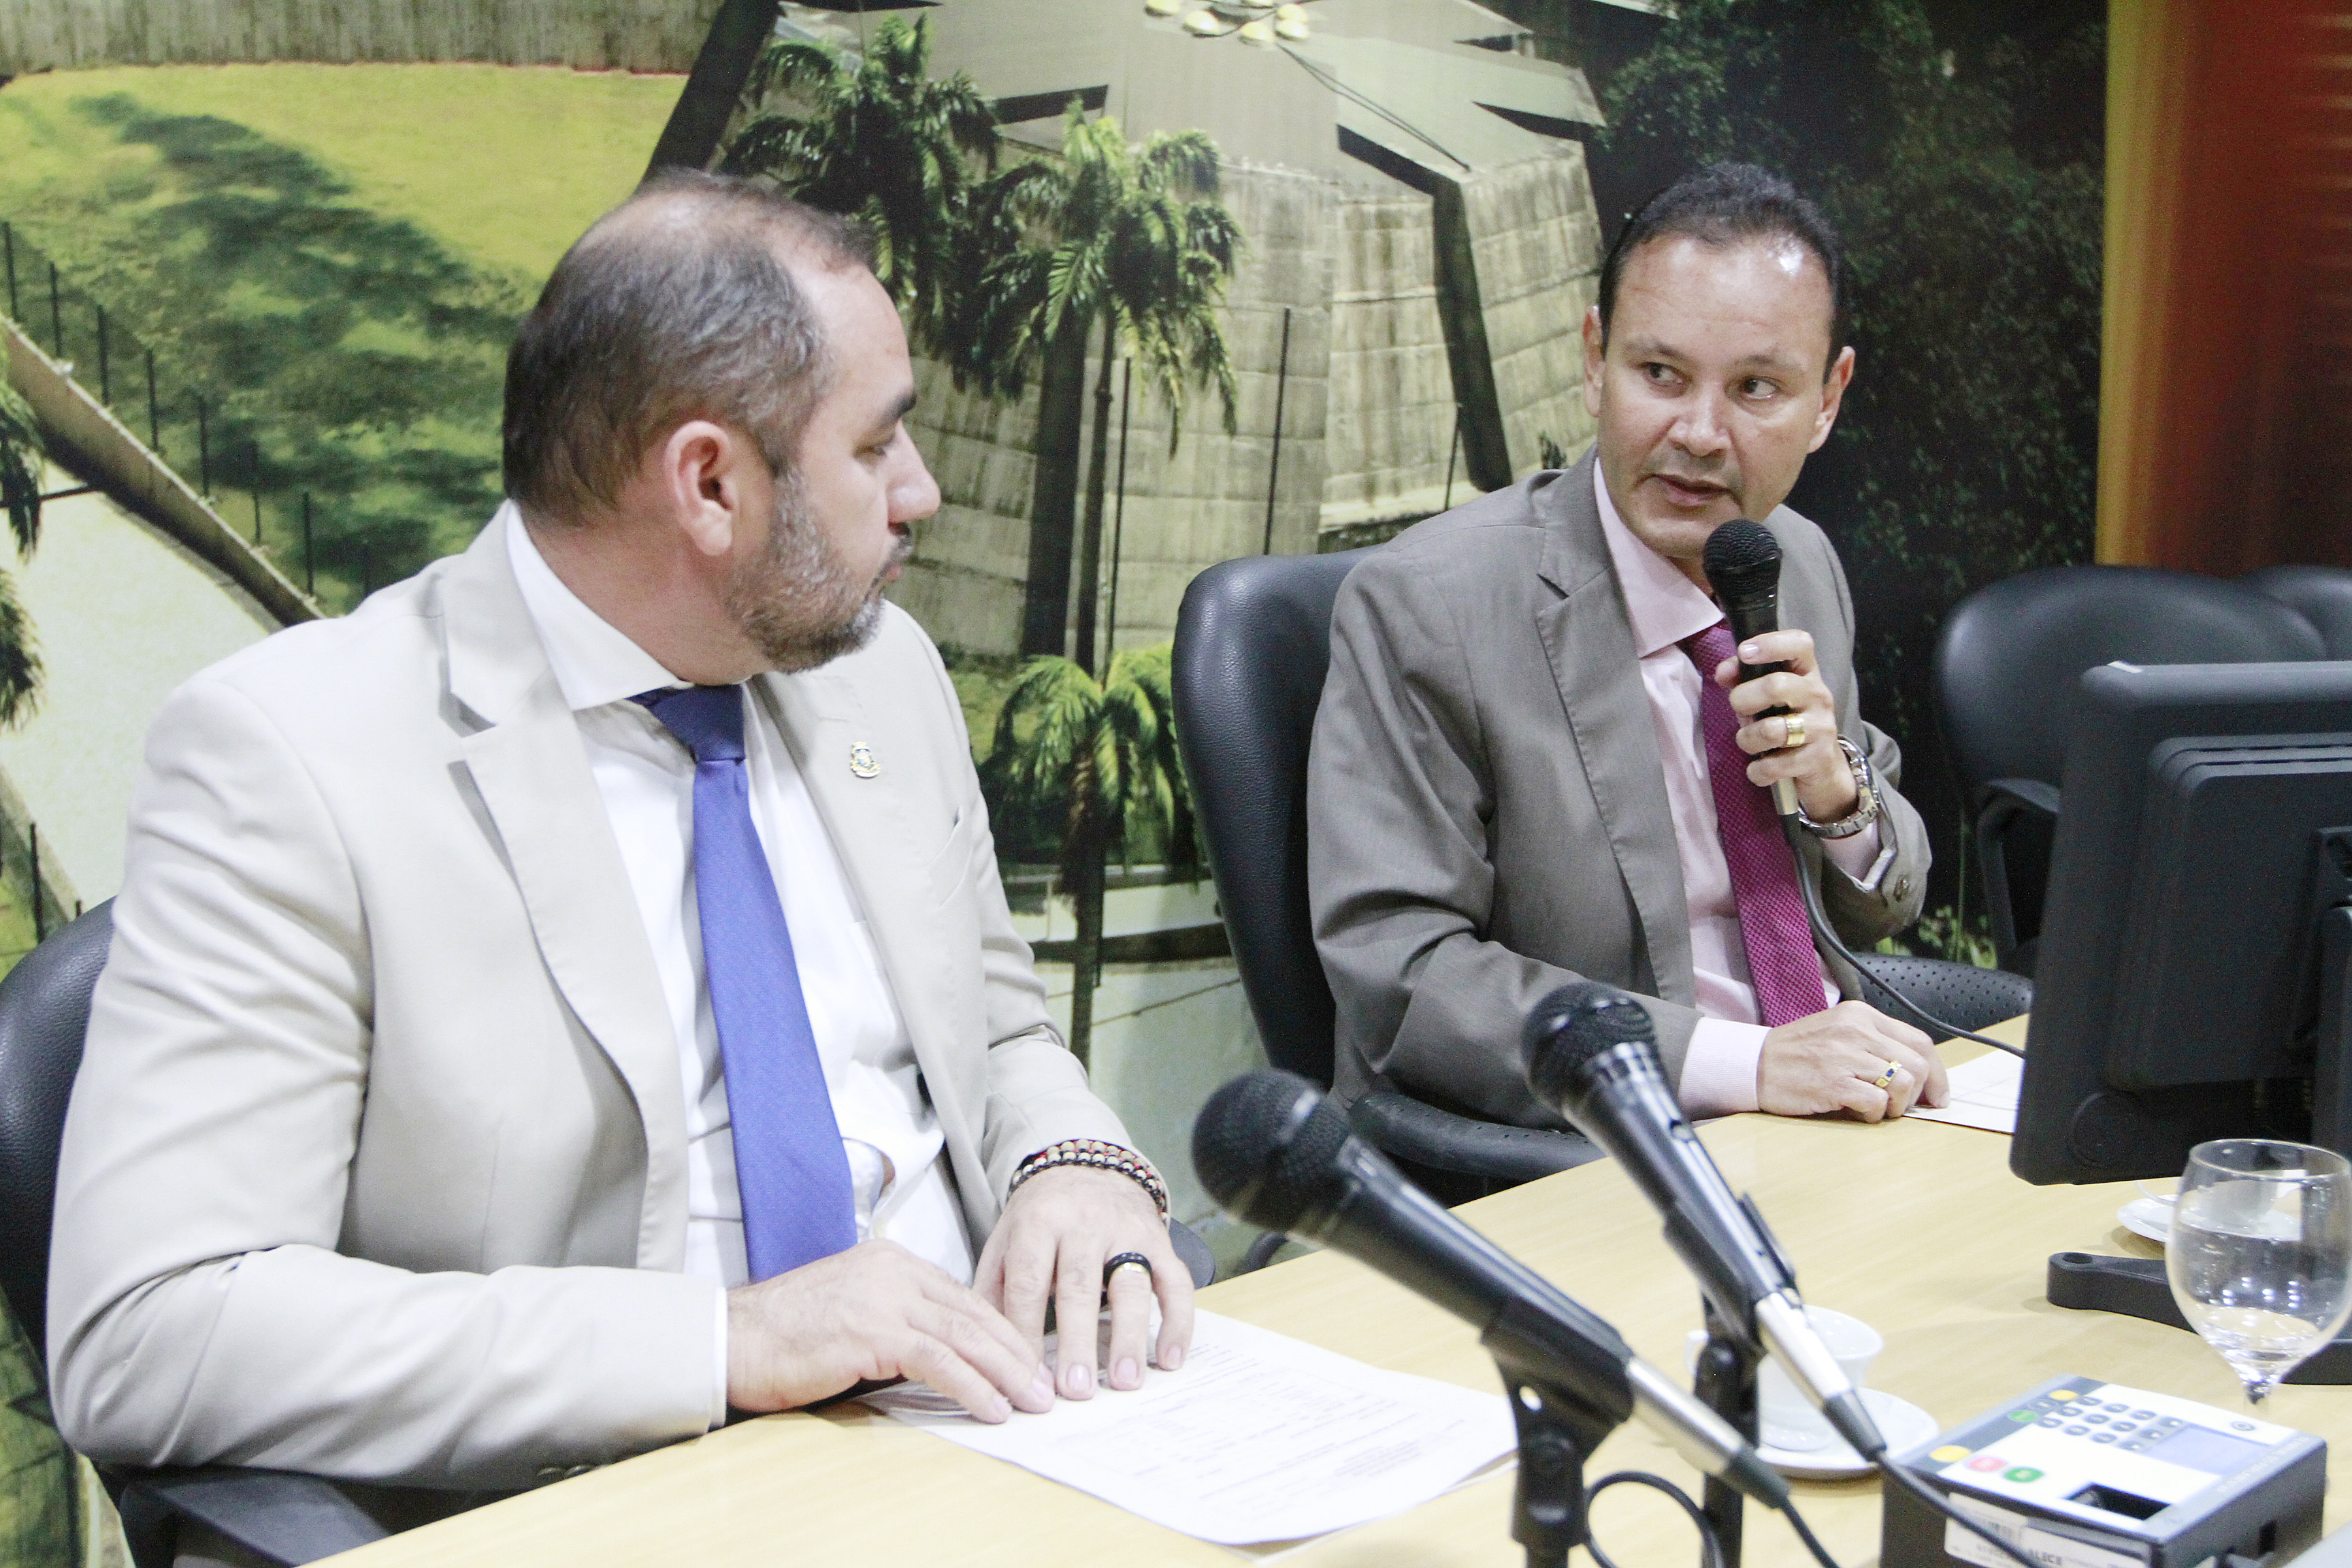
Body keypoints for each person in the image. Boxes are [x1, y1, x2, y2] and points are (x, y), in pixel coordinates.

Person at [46, 172, 1194, 1519]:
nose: (922, 492)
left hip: (1021, 1436)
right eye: (878, 446)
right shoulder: (292, 762)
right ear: (708, 483)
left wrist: (1075, 1165)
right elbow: (153, 1327)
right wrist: (724, 1342)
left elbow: (996, 1032)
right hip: (642, 1499)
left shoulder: (879, 671)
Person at [1309, 163, 1948, 1132]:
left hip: (1828, 1117)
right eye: (1660, 375)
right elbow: (1404, 976)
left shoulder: (1797, 562)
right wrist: (1748, 1064)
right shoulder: (1427, 607)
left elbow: (1883, 904)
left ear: (1827, 399)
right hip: (1600, 1141)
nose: (1699, 433)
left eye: (1756, 389)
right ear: (1592, 359)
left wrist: (1834, 793)